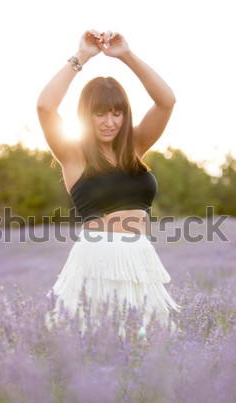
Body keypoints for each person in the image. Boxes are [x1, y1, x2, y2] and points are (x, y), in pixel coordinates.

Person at [37, 30, 181, 338]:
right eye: (100, 113)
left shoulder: (135, 147)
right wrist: (82, 57)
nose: (109, 121)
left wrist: (126, 55)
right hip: (96, 261)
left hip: (140, 260)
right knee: (92, 347)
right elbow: (45, 107)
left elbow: (166, 101)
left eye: (117, 113)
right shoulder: (73, 155)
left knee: (147, 348)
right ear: (86, 116)